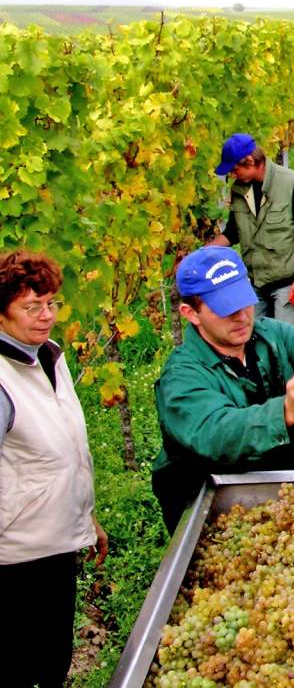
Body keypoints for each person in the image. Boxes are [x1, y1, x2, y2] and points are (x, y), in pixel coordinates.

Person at [152, 246, 294, 532]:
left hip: (274, 484)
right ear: (191, 313)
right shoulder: (181, 377)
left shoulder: (268, 335)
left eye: (244, 302)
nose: (242, 317)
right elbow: (218, 433)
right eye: (225, 309)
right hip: (208, 502)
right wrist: (284, 412)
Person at [0, 250, 108, 688]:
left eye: (52, 304)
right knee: (19, 668)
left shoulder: (47, 357)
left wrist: (86, 516)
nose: (46, 316)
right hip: (17, 558)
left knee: (52, 662)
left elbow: (57, 457)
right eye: (32, 307)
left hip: (55, 547)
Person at [210, 132, 294, 328]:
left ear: (250, 162)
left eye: (234, 169)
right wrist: (203, 254)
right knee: (255, 343)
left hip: (288, 282)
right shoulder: (240, 191)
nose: (232, 175)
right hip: (256, 283)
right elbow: (232, 232)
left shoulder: (291, 184)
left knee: (282, 343)